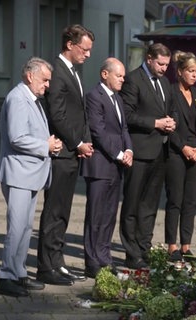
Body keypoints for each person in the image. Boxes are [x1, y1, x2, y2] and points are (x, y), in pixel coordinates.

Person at [0, 57, 62, 297]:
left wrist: (49, 144)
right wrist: (46, 145)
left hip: (28, 173)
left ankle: (19, 273)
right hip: (18, 173)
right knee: (17, 227)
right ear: (29, 76)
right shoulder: (18, 99)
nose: (47, 86)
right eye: (44, 80)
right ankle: (6, 277)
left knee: (25, 228)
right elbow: (17, 137)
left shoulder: (30, 98)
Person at [36, 24, 94, 285]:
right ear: (70, 45)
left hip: (72, 153)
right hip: (62, 154)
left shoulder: (73, 71)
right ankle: (46, 267)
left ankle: (57, 263)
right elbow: (57, 115)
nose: (88, 54)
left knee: (63, 212)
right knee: (54, 211)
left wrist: (86, 141)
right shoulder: (57, 72)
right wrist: (78, 142)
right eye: (85, 49)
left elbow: (78, 112)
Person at [119, 43, 176, 269]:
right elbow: (127, 115)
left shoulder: (164, 82)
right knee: (132, 203)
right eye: (161, 64)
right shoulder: (134, 80)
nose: (164, 69)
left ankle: (145, 247)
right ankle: (131, 252)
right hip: (139, 152)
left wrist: (171, 121)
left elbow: (170, 109)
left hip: (160, 152)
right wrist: (155, 123)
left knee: (150, 206)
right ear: (150, 59)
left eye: (167, 65)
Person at [81, 58, 133, 278]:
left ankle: (105, 257)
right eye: (119, 75)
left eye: (123, 76)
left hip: (116, 166)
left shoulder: (118, 99)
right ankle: (92, 261)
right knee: (96, 214)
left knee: (110, 214)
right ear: (105, 74)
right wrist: (120, 154)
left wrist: (129, 150)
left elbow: (124, 129)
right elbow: (98, 131)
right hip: (100, 165)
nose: (123, 79)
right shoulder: (94, 97)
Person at [164, 51, 196, 262]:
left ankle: (186, 246)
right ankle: (171, 246)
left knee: (190, 201)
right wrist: (183, 148)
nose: (194, 75)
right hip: (177, 152)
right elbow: (169, 126)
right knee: (175, 199)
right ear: (180, 71)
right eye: (191, 71)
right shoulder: (171, 92)